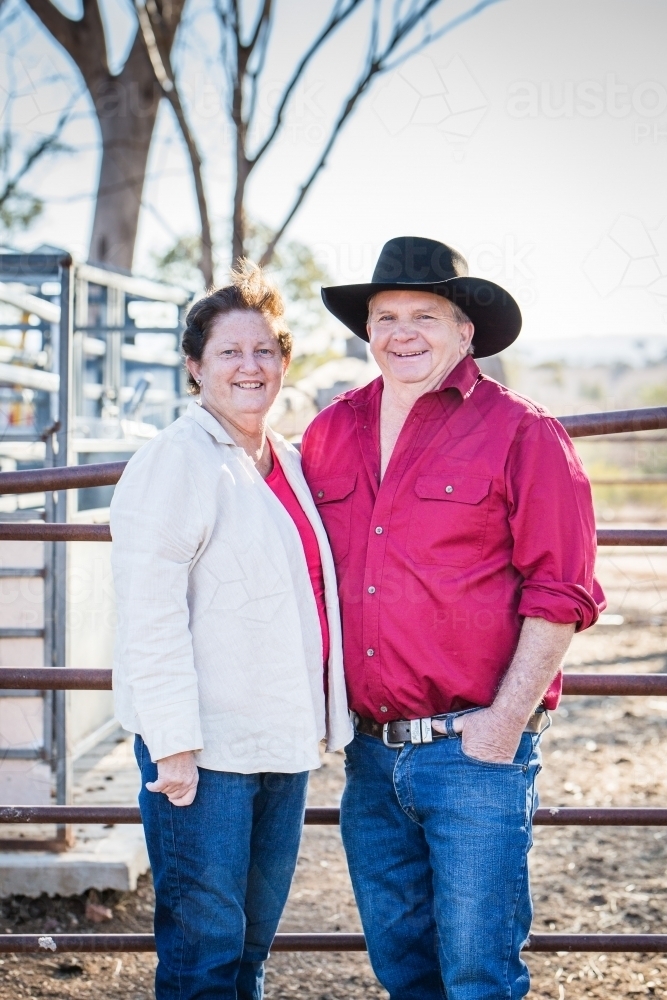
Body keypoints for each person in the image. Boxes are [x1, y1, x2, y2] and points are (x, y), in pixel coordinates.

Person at [300, 236, 605, 1000]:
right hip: (368, 758)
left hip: (474, 752)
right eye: (384, 315)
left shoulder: (523, 433)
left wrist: (503, 721)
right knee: (403, 969)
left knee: (477, 974)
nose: (400, 332)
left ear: (465, 330)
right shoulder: (329, 433)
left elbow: (561, 590)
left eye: (423, 315)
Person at [110, 262, 352, 1000]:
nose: (250, 367)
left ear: (283, 361)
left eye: (265, 351)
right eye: (228, 352)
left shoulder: (285, 461)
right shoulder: (175, 463)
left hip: (276, 743)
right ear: (194, 366)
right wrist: (174, 749)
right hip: (203, 755)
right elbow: (148, 618)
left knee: (247, 945)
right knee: (203, 953)